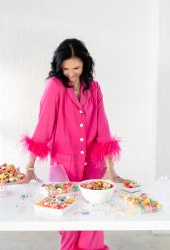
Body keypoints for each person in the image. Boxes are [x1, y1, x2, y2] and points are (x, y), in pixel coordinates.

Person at [21, 38, 128, 250]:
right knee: (69, 222)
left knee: (93, 220)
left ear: (85, 64)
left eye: (76, 68)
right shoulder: (54, 87)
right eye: (66, 68)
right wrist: (30, 167)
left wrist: (111, 169)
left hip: (92, 166)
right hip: (64, 168)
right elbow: (43, 128)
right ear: (59, 66)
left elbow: (103, 130)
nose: (71, 73)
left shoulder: (94, 88)